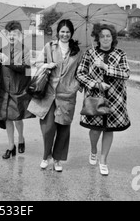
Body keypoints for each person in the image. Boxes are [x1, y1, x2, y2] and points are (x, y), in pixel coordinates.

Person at [27, 19, 82, 172]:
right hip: (49, 93)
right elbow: (37, 63)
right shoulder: (50, 47)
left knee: (63, 128)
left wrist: (74, 87)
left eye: (68, 32)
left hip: (67, 95)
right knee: (48, 127)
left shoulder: (77, 51)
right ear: (58, 32)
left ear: (71, 33)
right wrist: (46, 65)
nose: (65, 34)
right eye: (62, 31)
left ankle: (57, 160)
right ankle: (46, 156)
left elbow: (81, 72)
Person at [76, 23, 130, 176]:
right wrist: (96, 84)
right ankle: (93, 149)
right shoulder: (90, 53)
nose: (105, 39)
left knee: (109, 129)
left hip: (115, 99)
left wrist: (106, 67)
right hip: (95, 98)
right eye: (102, 36)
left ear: (113, 38)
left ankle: (103, 160)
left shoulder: (120, 54)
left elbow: (126, 74)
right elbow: (80, 74)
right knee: (95, 129)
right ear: (98, 38)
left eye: (108, 36)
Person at [0, 21, 33, 159]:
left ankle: (21, 138)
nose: (12, 36)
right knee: (6, 118)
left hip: (18, 89)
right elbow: (0, 72)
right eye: (9, 34)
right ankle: (11, 145)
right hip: (4, 89)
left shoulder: (25, 50)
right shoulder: (2, 50)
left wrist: (8, 62)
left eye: (15, 34)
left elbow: (27, 70)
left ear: (20, 35)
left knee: (17, 118)